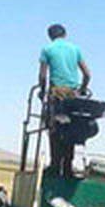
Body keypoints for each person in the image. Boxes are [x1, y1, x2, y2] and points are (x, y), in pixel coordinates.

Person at [38, 23, 91, 175]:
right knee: (71, 128)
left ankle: (55, 164)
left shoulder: (47, 49)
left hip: (57, 92)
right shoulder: (75, 49)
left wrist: (42, 91)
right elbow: (87, 74)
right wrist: (82, 89)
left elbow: (43, 75)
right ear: (65, 34)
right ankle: (68, 166)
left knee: (54, 127)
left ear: (50, 36)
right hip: (73, 95)